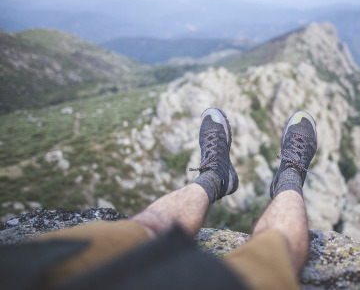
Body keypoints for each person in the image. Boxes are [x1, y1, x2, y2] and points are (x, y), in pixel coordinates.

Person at [2, 108, 317, 290]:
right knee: (277, 249)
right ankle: (289, 178)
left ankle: (215, 177)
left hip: (34, 275)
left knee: (147, 231)